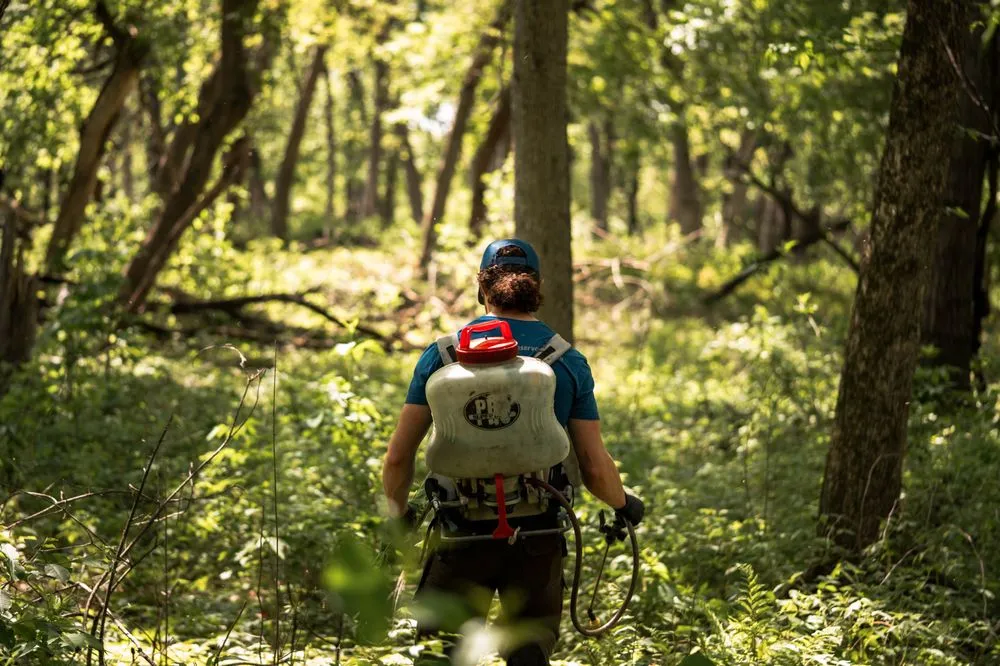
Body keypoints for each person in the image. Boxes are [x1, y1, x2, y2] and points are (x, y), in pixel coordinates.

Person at [381, 238, 644, 665]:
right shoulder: (566, 361)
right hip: (537, 539)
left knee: (441, 658)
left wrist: (396, 515)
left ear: (482, 289)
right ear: (537, 287)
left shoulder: (443, 355)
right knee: (528, 656)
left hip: (459, 534)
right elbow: (595, 467)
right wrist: (624, 504)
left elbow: (398, 457)